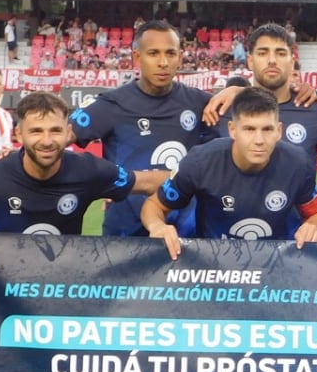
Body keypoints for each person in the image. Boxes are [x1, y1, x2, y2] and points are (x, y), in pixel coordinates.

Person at [0, 92, 166, 242]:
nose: (46, 141)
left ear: (68, 133)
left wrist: (192, 176)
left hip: (58, 295)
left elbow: (147, 181)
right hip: (1, 297)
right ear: (19, 135)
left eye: (55, 130)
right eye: (36, 131)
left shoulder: (88, 171)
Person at [140, 86, 317, 259]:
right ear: (232, 130)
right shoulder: (200, 162)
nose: (259, 140)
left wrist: (313, 227)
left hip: (276, 264)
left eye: (267, 129)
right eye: (249, 129)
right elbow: (154, 205)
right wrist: (158, 226)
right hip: (213, 263)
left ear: (279, 131)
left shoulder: (297, 163)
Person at [69, 21, 213, 237]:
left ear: (180, 57)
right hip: (124, 233)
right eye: (153, 53)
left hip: (184, 234)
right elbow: (56, 138)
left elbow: (248, 117)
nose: (163, 62)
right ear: (137, 57)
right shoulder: (111, 104)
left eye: (170, 54)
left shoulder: (201, 104)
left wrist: (235, 91)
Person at [207, 23, 317, 169]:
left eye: (281, 53)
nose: (272, 60)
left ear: (292, 63)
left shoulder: (316, 110)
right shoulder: (222, 109)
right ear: (250, 61)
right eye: (263, 53)